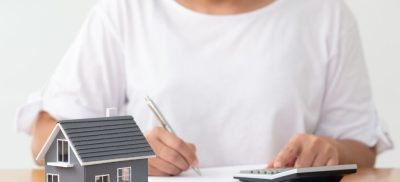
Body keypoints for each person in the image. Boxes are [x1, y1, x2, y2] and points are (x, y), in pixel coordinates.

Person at [17, 0, 393, 176]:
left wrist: (329, 150)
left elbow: (362, 150)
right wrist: (128, 149)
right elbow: (45, 138)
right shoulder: (125, 11)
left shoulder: (325, 15)